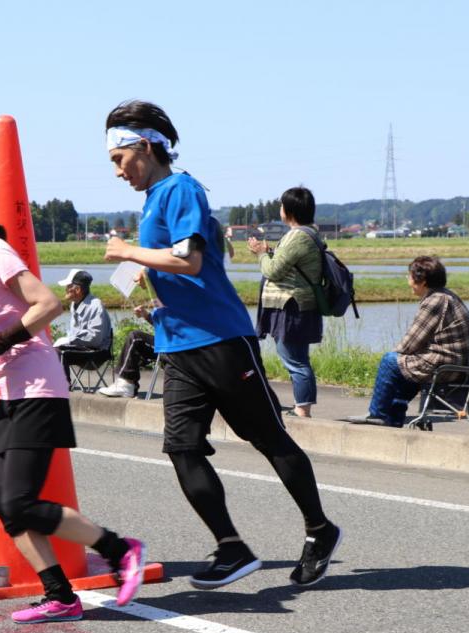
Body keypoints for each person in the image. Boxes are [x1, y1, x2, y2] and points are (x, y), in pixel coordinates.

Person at [103, 100, 341, 589]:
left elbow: (189, 260)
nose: (116, 170)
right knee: (181, 448)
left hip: (221, 340)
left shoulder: (181, 187)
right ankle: (231, 548)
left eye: (118, 158)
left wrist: (128, 251)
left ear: (145, 146)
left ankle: (320, 529)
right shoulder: (153, 199)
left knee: (269, 438)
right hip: (179, 344)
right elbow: (178, 267)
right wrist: (148, 289)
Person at [0, 169, 147, 623]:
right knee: (6, 504)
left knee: (19, 501)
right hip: (11, 391)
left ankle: (120, 549)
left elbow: (48, 304)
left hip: (38, 389)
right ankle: (60, 596)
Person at [344, 256, 469, 427]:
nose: (408, 280)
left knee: (389, 361)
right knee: (402, 365)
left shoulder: (435, 301)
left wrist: (394, 356)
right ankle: (394, 417)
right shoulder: (445, 295)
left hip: (445, 365)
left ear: (422, 281)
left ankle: (377, 414)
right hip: (452, 361)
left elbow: (410, 343)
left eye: (410, 276)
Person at [250, 187, 323, 418]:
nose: (280, 210)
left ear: (289, 210)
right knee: (297, 357)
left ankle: (302, 409)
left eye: (282, 206)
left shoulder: (297, 236)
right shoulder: (306, 233)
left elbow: (273, 270)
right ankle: (302, 406)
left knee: (294, 358)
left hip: (291, 305)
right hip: (296, 304)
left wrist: (261, 254)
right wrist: (270, 251)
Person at [52, 269, 113, 384]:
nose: (65, 289)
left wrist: (70, 340)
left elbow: (95, 338)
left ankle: (63, 386)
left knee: (57, 352)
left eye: (68, 286)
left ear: (78, 289)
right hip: (84, 348)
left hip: (97, 352)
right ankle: (57, 384)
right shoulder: (74, 304)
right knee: (49, 351)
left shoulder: (95, 305)